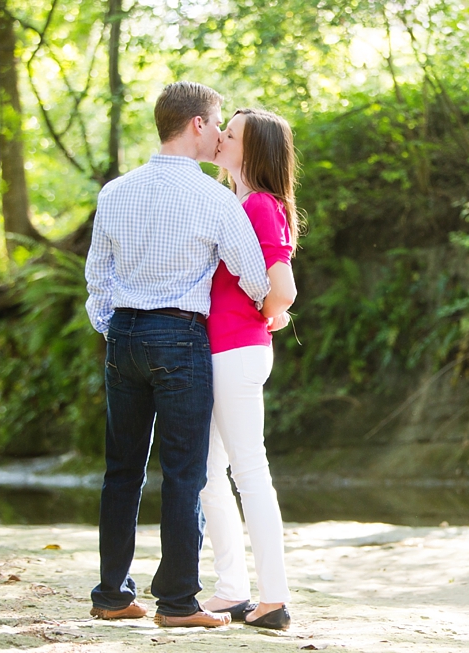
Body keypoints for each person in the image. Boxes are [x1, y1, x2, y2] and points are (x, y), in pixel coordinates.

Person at [84, 82, 273, 628]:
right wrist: (267, 308)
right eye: (216, 124)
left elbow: (98, 278)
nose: (218, 135)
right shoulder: (213, 197)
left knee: (121, 470)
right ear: (196, 124)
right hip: (181, 337)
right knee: (185, 471)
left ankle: (112, 595)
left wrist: (116, 327)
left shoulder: (114, 192)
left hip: (123, 335)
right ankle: (177, 602)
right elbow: (255, 277)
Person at [196, 108, 300, 631]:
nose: (220, 138)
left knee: (248, 472)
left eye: (230, 134)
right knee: (210, 475)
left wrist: (268, 312)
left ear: (251, 150)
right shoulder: (236, 203)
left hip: (236, 353)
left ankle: (274, 598)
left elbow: (284, 290)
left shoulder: (259, 205)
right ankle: (233, 590)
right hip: (221, 352)